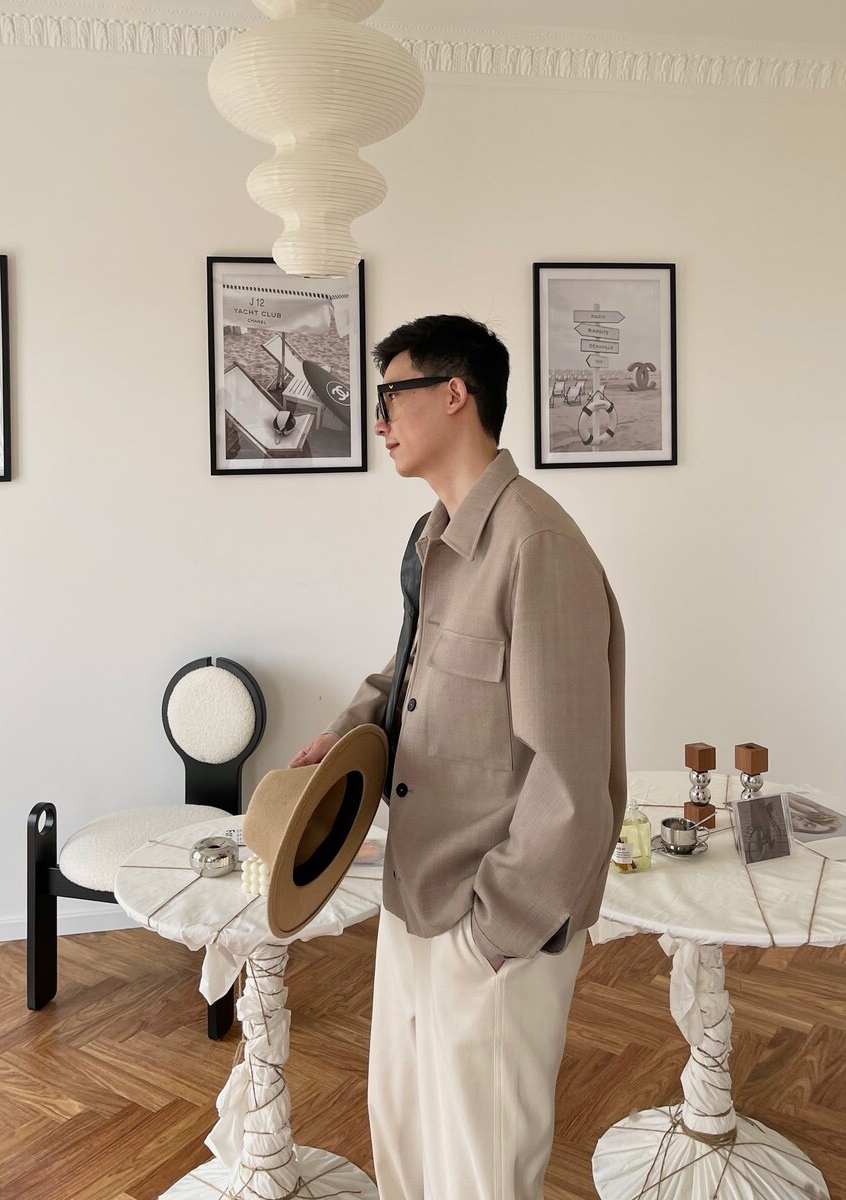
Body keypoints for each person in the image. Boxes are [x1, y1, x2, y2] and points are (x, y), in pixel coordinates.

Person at [289, 314, 626, 1200]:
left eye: (390, 396)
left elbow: (572, 777)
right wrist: (346, 734)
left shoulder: (538, 545)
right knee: (405, 1140)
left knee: (481, 1171)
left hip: (491, 916)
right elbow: (410, 672)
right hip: (415, 889)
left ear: (453, 394)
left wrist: (495, 932)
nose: (378, 420)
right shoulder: (430, 536)